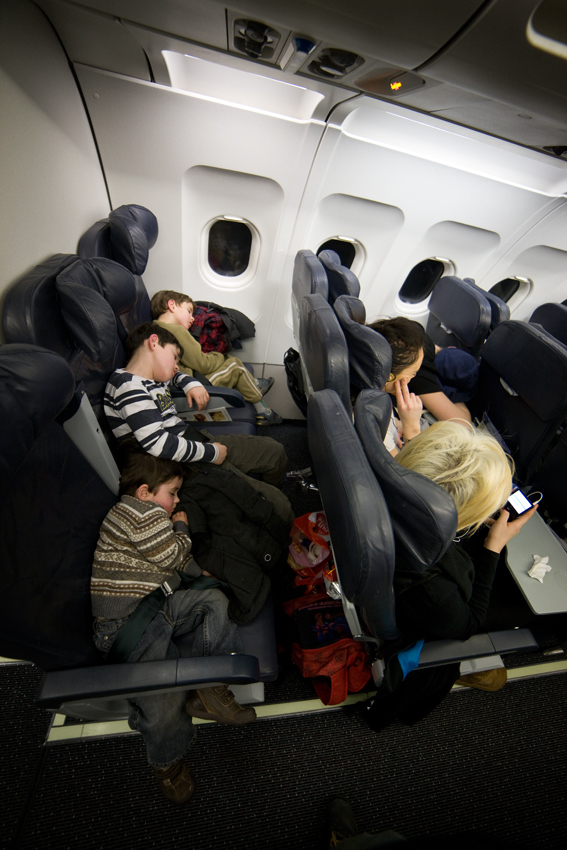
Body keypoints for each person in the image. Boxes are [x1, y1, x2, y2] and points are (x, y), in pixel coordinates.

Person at [91, 452, 256, 804]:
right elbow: (172, 555)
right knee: (164, 704)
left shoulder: (144, 515)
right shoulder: (139, 512)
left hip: (157, 606)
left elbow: (174, 560)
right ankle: (167, 764)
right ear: (145, 492)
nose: (177, 501)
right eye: (173, 493)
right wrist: (181, 527)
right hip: (127, 627)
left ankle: (209, 688)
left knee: (214, 600)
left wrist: (199, 572)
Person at [363, 420, 537, 731]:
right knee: (525, 609)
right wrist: (493, 547)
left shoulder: (386, 490)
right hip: (428, 618)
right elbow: (467, 624)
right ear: (458, 515)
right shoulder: (432, 589)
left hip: (403, 576)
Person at [104, 321, 294, 527]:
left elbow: (175, 376)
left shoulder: (153, 378)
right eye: (174, 357)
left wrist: (190, 383)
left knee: (275, 452)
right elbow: (159, 444)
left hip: (193, 442)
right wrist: (211, 453)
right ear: (154, 342)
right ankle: (266, 516)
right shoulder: (128, 386)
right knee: (279, 505)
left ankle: (261, 513)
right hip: (177, 463)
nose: (176, 366)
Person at [150, 289, 282, 425]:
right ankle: (262, 409)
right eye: (189, 311)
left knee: (229, 361)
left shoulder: (155, 329)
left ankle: (253, 384)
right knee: (236, 367)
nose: (192, 318)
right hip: (196, 384)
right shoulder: (177, 331)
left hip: (187, 380)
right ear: (172, 305)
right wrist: (218, 355)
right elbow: (203, 365)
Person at [368, 317, 473, 425]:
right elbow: (464, 423)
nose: (413, 377)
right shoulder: (419, 373)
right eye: (413, 373)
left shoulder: (410, 333)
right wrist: (410, 424)